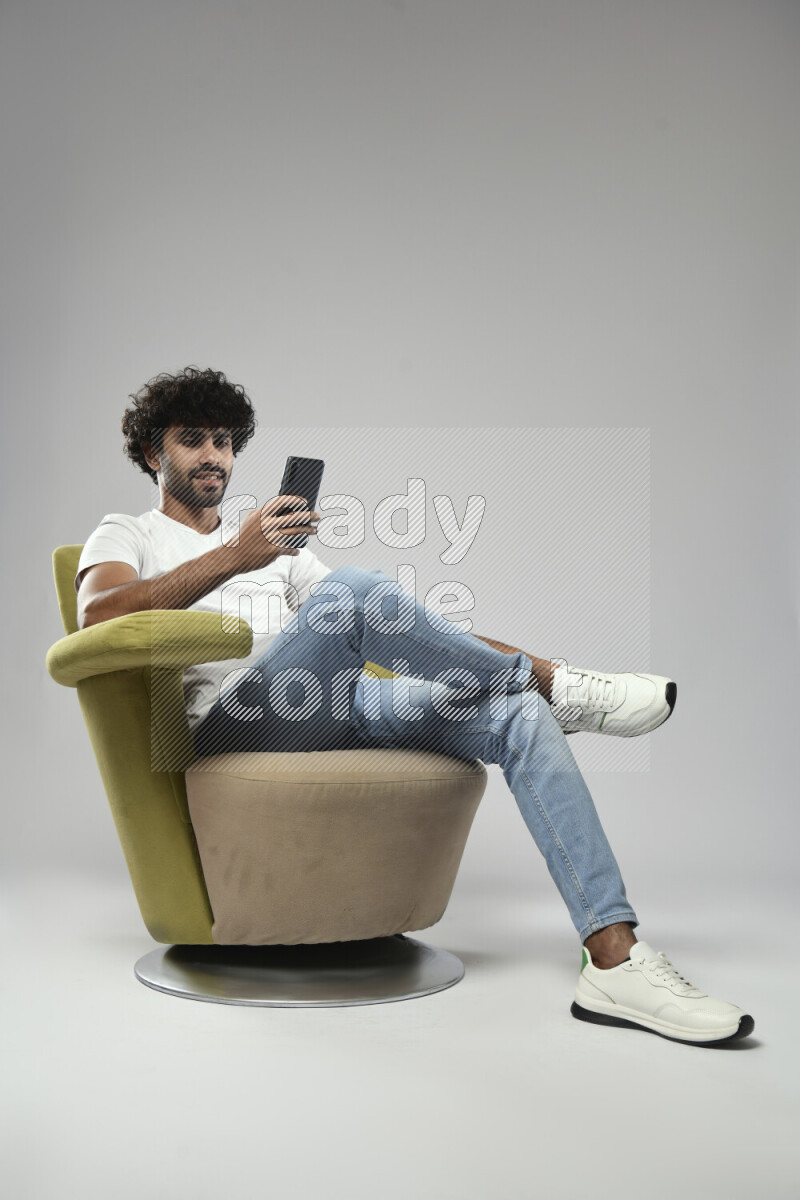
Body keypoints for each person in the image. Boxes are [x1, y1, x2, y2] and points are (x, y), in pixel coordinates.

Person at [76, 366, 754, 1046]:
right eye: (193, 439)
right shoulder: (129, 533)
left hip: (328, 706)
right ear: (151, 453)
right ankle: (555, 680)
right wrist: (234, 555)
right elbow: (98, 616)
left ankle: (614, 955)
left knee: (515, 711)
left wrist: (263, 556)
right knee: (355, 593)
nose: (213, 456)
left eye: (224, 441)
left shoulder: (274, 552)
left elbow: (395, 625)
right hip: (231, 727)